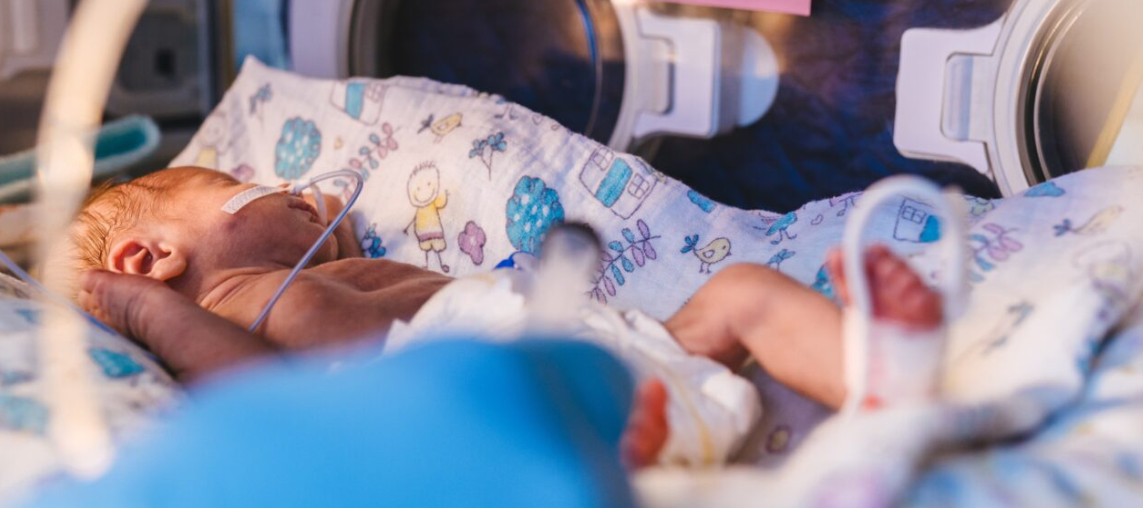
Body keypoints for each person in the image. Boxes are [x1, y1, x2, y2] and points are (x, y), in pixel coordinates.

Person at [70, 167, 942, 467]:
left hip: (599, 352)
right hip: (503, 397)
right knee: (738, 304)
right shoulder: (231, 305)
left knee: (742, 290)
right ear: (150, 260)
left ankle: (888, 379)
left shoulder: (320, 274)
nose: (307, 193)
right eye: (251, 191)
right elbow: (252, 386)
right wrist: (138, 310)